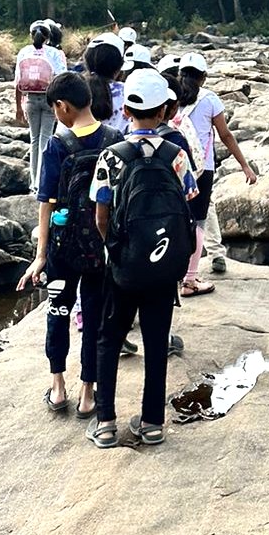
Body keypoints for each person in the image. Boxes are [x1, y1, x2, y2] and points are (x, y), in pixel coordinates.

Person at [87, 69, 200, 448]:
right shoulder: (177, 155)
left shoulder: (111, 157)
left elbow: (101, 214)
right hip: (164, 264)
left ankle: (105, 422)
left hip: (123, 266)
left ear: (129, 109)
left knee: (108, 338)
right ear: (165, 109)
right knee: (156, 341)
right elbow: (187, 204)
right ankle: (152, 423)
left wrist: (115, 248)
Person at [16, 72, 123, 419]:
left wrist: (40, 256)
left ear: (61, 107)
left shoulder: (57, 144)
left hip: (62, 250)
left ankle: (59, 387)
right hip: (100, 250)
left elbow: (45, 201)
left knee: (58, 313)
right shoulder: (114, 139)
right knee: (93, 318)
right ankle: (88, 395)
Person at [175, 51, 258, 296]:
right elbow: (226, 135)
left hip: (174, 165)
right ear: (203, 77)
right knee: (198, 221)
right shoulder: (209, 99)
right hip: (202, 168)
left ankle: (173, 274)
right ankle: (190, 279)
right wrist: (245, 165)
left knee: (177, 219)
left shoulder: (172, 97)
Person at [15, 20, 68, 195]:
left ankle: (32, 184)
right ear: (48, 36)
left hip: (29, 100)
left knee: (34, 140)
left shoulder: (24, 52)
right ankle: (40, 184)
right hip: (48, 100)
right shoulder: (53, 53)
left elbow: (18, 82)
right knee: (45, 140)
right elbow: (61, 78)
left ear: (31, 35)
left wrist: (18, 107)